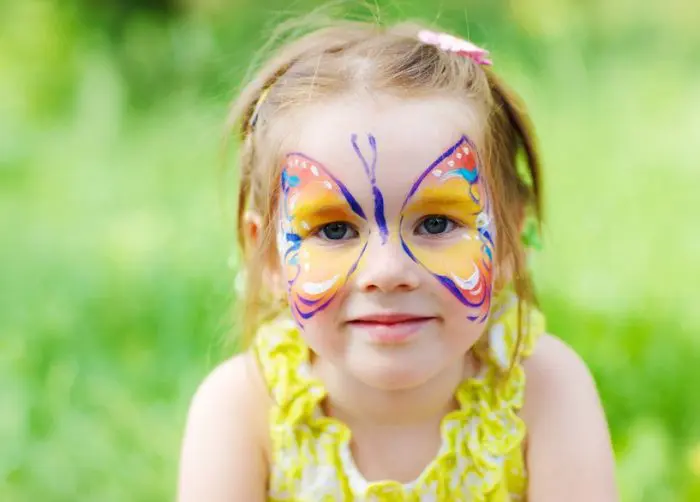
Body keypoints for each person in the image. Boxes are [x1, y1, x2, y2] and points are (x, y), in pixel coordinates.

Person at [177, 18, 618, 501]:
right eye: (334, 229)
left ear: (511, 236)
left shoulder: (544, 389)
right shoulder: (242, 408)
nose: (387, 273)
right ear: (270, 259)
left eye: (436, 224)